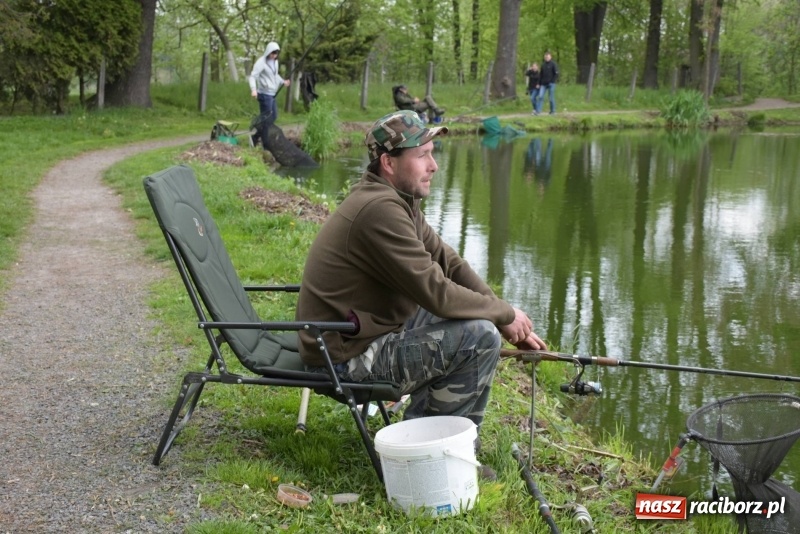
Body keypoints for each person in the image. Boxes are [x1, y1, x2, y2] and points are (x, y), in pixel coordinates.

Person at [296, 110, 546, 478]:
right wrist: (503, 315)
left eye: (433, 152)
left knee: (477, 323)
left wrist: (506, 317)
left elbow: (449, 263)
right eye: (423, 155)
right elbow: (438, 293)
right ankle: (426, 457)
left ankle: (439, 442)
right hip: (342, 356)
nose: (434, 166)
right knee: (477, 337)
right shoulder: (379, 210)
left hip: (362, 333)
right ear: (388, 162)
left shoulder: (398, 200)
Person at [248, 42, 291, 148]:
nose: (274, 55)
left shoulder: (275, 62)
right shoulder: (261, 62)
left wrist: (283, 82)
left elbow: (275, 75)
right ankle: (266, 144)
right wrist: (254, 89)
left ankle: (255, 137)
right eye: (272, 53)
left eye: (276, 53)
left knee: (273, 116)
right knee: (267, 118)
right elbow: (253, 76)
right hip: (264, 94)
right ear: (268, 52)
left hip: (272, 93)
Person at [537, 51, 559, 115]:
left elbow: (556, 74)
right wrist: (539, 83)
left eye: (548, 56)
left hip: (551, 84)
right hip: (543, 84)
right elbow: (540, 75)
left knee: (551, 97)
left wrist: (552, 81)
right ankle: (538, 111)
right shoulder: (543, 65)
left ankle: (553, 111)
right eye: (545, 57)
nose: (546, 58)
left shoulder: (553, 64)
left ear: (550, 57)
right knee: (540, 96)